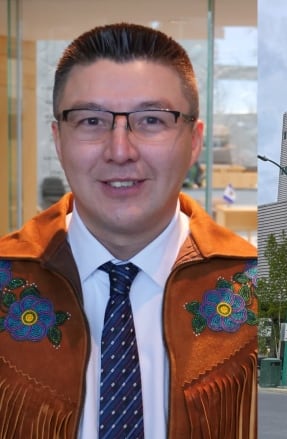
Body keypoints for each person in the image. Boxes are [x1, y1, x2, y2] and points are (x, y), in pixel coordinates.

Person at [0, 23, 259, 438]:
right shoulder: (7, 280)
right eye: (91, 121)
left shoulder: (250, 289)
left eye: (152, 120)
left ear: (193, 142)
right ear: (58, 140)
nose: (120, 151)